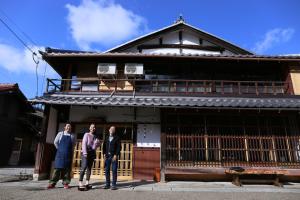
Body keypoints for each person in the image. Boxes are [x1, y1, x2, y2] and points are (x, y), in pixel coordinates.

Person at [47, 123, 76, 189]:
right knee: (57, 169)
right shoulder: (60, 134)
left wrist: (69, 151)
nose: (68, 127)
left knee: (67, 170)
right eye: (67, 126)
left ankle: (66, 183)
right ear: (65, 127)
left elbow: (73, 145)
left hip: (68, 155)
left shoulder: (72, 136)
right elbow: (55, 142)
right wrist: (59, 149)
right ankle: (52, 183)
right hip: (59, 154)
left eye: (70, 127)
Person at [78, 123, 100, 191]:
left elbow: (94, 147)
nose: (93, 128)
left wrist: (97, 144)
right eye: (91, 127)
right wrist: (85, 152)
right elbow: (84, 143)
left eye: (94, 127)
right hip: (86, 152)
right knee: (84, 167)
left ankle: (87, 182)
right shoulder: (86, 134)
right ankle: (80, 182)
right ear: (89, 128)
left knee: (89, 168)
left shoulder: (95, 136)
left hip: (92, 153)